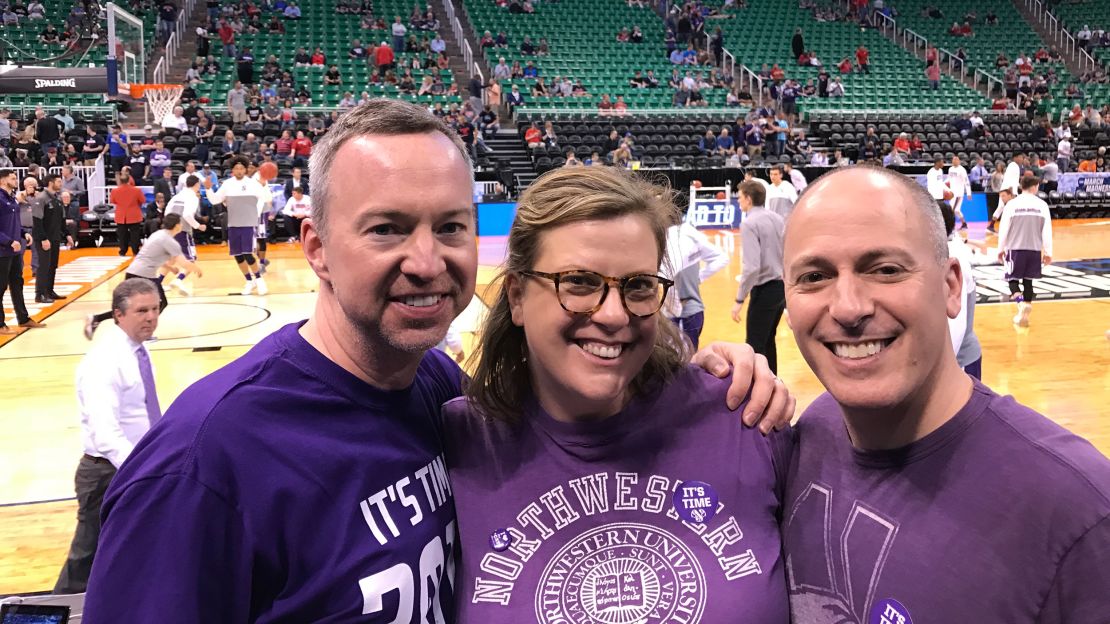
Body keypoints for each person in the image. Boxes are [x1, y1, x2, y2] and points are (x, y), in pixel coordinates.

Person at [83, 100, 792, 622]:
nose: (426, 261)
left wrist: (718, 368)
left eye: (450, 227)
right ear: (317, 247)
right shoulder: (204, 462)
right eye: (387, 228)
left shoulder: (443, 395)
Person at [444, 166, 794, 623]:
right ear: (516, 297)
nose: (613, 315)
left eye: (638, 286)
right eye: (579, 282)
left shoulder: (744, 416)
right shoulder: (453, 444)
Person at [781, 166, 1110, 621]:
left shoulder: (1079, 511)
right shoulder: (806, 434)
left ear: (952, 286)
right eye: (814, 276)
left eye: (886, 270)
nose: (849, 308)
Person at [55, 278, 164, 593]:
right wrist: (143, 469)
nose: (151, 317)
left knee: (134, 548)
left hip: (131, 465)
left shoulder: (137, 350)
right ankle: (55, 612)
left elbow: (141, 412)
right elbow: (106, 434)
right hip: (108, 472)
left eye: (155, 309)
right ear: (119, 314)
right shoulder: (105, 361)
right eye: (142, 311)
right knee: (86, 557)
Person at [84, 214, 201, 339]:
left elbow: (152, 257)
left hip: (135, 272)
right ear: (177, 226)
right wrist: (197, 269)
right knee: (157, 304)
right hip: (143, 276)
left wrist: (170, 268)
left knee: (131, 307)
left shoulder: (158, 234)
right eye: (180, 223)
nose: (182, 225)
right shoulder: (169, 241)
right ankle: (142, 333)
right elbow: (184, 262)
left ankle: (97, 319)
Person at [731, 180, 786, 374]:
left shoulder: (749, 223)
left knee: (754, 346)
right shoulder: (778, 218)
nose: (738, 201)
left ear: (748, 198)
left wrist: (739, 299)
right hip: (781, 288)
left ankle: (760, 395)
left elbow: (751, 267)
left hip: (765, 290)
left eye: (739, 197)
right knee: (768, 340)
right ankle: (774, 384)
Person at [204, 155, 271, 295]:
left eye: (241, 168)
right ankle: (249, 281)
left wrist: (256, 214)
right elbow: (215, 200)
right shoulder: (227, 184)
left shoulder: (253, 184)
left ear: (245, 170)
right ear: (232, 170)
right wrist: (209, 189)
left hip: (249, 223)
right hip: (233, 223)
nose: (239, 171)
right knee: (237, 255)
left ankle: (259, 280)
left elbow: (264, 199)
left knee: (248, 253)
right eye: (236, 168)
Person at [665, 205, 729, 349]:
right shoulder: (692, 235)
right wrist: (699, 277)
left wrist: (673, 308)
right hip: (694, 310)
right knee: (690, 358)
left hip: (675, 313)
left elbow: (669, 278)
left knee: (674, 359)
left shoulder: (667, 240)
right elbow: (722, 258)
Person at [997, 176, 1052, 327]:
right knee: (1028, 282)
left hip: (1015, 249)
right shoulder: (1042, 205)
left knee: (1012, 280)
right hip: (1034, 249)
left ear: (1022, 187)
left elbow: (1004, 229)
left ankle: (1021, 305)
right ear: (1035, 186)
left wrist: (1000, 249)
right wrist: (1048, 252)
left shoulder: (1012, 204)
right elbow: (1047, 231)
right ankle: (1025, 310)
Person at [0, 168, 43, 334]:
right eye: (12, 178)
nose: (16, 180)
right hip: (3, 251)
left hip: (15, 251)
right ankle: (0, 324)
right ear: (3, 180)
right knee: (1, 287)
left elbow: (13, 222)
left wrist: (23, 233)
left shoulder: (12, 199)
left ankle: (23, 318)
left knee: (17, 284)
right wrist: (9, 241)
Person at [162, 175, 207, 296]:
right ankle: (178, 279)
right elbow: (187, 215)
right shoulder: (192, 197)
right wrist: (198, 226)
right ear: (197, 184)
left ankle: (158, 283)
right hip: (182, 230)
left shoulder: (177, 195)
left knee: (170, 258)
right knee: (191, 259)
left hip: (170, 230)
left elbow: (166, 212)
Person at [32, 174, 73, 303]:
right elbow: (37, 221)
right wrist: (43, 238)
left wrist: (67, 234)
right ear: (51, 183)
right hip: (44, 239)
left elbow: (61, 220)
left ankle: (49, 291)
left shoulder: (57, 199)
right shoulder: (41, 198)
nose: (61, 184)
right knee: (44, 266)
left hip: (55, 238)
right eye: (58, 181)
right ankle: (40, 294)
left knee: (52, 266)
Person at [109, 171, 146, 257]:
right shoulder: (136, 190)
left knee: (122, 235)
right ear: (129, 180)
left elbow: (113, 201)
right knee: (135, 235)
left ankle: (122, 251)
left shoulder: (115, 190)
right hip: (134, 215)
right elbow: (143, 200)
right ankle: (135, 251)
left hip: (121, 215)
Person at [947, 155, 971, 229]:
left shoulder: (962, 170)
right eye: (953, 160)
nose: (954, 161)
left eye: (956, 160)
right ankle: (964, 224)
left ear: (959, 161)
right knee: (957, 210)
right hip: (952, 193)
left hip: (958, 193)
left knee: (951, 209)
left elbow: (966, 181)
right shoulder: (950, 169)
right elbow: (949, 179)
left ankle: (951, 226)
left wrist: (968, 193)